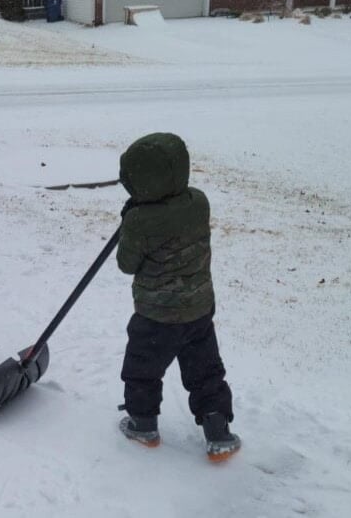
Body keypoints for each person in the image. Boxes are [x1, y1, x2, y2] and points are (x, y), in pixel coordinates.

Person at [116, 132, 241, 461]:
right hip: (199, 311)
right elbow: (171, 220)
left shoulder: (138, 221)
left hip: (156, 316)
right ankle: (217, 428)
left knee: (143, 368)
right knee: (205, 370)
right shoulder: (199, 202)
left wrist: (131, 219)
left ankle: (143, 423)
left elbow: (126, 264)